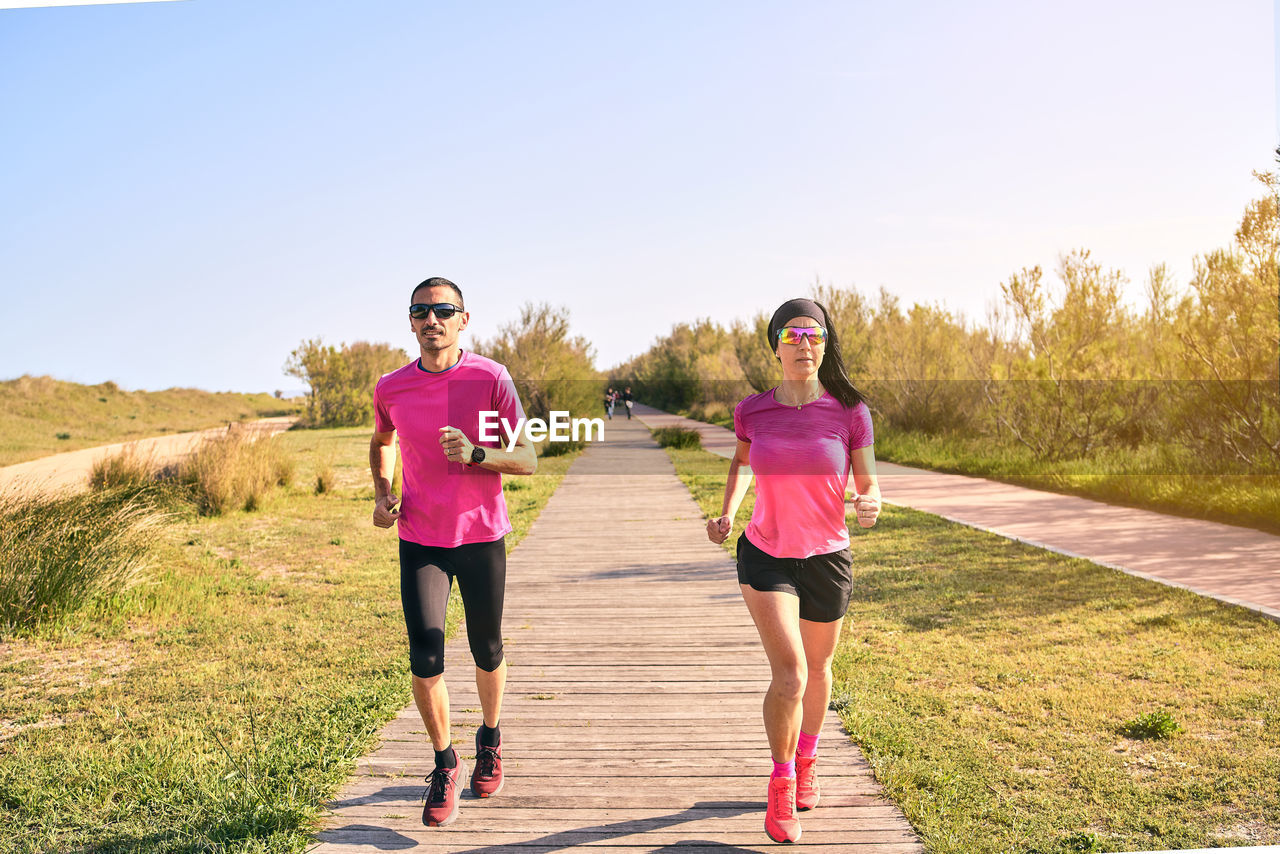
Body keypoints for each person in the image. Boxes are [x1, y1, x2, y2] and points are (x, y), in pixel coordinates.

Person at [706, 297, 880, 844]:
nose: (804, 343)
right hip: (767, 554)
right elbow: (740, 461)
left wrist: (870, 500)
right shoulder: (753, 410)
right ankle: (780, 783)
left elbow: (868, 481)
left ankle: (808, 759)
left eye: (814, 334)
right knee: (791, 674)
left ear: (826, 345)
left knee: (820, 670)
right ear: (776, 344)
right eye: (792, 335)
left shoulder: (850, 411)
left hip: (828, 556)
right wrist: (729, 511)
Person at [370, 276, 537, 827]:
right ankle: (445, 761)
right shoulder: (391, 387)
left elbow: (528, 457)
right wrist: (383, 492)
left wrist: (475, 452)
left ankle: (489, 736)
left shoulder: (490, 378)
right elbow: (382, 442)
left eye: (444, 310)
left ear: (463, 319)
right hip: (420, 537)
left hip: (482, 534)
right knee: (425, 655)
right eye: (421, 311)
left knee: (486, 647)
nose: (431, 320)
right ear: (411, 322)